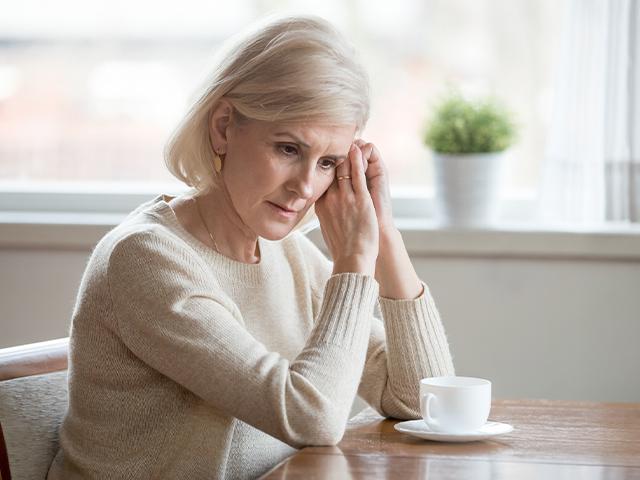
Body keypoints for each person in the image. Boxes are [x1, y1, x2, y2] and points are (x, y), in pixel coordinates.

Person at [47, 14, 455, 480]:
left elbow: (422, 400)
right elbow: (312, 420)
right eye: (288, 149)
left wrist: (384, 239)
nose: (305, 186)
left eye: (327, 163)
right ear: (223, 127)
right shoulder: (146, 258)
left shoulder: (287, 254)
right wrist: (354, 264)